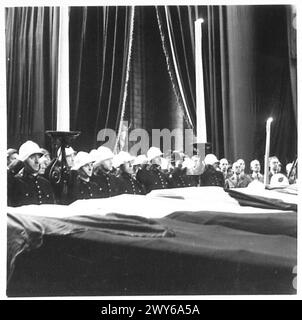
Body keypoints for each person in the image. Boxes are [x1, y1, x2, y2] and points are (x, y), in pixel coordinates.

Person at [8, 140, 55, 207]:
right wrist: (19, 161)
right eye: (32, 157)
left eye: (38, 157)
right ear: (23, 161)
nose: (37, 161)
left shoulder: (45, 183)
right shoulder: (16, 183)